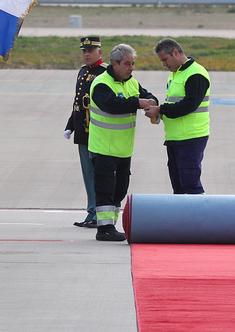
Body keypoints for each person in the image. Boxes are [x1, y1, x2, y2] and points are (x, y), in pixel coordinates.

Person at [88, 44, 157, 241]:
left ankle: (112, 225)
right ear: (115, 64)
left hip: (123, 149)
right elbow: (111, 105)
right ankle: (104, 228)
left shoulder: (131, 83)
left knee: (120, 189)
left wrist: (151, 101)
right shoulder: (102, 84)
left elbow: (147, 95)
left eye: (133, 64)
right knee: (105, 190)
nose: (131, 68)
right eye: (127, 64)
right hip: (104, 148)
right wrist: (138, 103)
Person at [144, 38, 210, 194]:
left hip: (191, 137)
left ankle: (198, 217)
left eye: (165, 60)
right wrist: (159, 111)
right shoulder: (175, 75)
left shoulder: (196, 73)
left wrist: (161, 109)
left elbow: (189, 105)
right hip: (175, 137)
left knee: (190, 184)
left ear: (175, 52)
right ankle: (183, 218)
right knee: (178, 185)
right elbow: (174, 104)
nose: (164, 64)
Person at [64, 37, 107, 228]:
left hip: (98, 131)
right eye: (84, 51)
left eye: (90, 51)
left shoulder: (105, 73)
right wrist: (70, 125)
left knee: (99, 174)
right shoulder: (82, 72)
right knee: (88, 174)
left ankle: (99, 213)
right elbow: (78, 103)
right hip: (83, 132)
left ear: (99, 52)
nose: (86, 54)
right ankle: (91, 213)